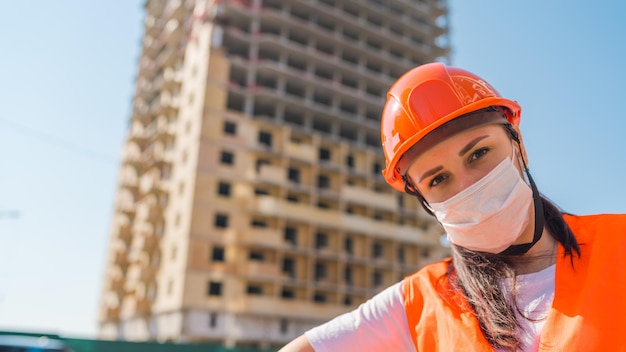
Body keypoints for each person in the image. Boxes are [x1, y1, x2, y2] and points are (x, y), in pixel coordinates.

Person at [279, 62, 626, 351]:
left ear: (519, 147)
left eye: (479, 154)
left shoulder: (618, 243)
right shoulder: (418, 302)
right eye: (438, 180)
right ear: (424, 200)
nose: (468, 185)